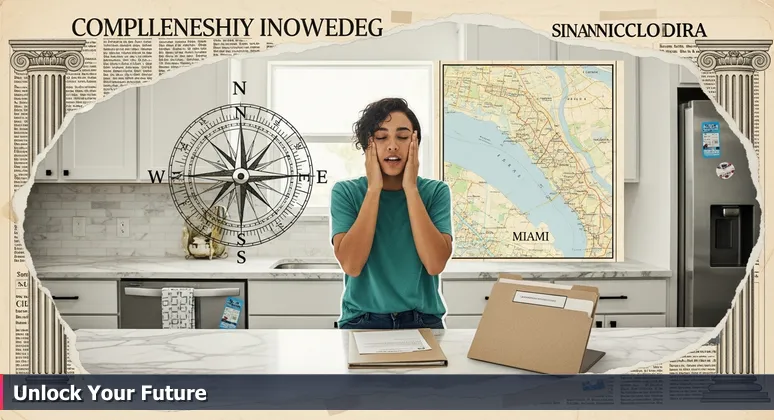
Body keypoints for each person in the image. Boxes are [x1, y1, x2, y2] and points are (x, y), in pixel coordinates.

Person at [329, 97, 454, 330]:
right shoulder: (346, 193)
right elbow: (352, 265)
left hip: (423, 320)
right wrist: (374, 189)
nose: (393, 145)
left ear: (415, 142)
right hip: (362, 320)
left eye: (403, 137)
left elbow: (435, 264)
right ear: (368, 145)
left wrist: (411, 189)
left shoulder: (435, 192)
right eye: (381, 137)